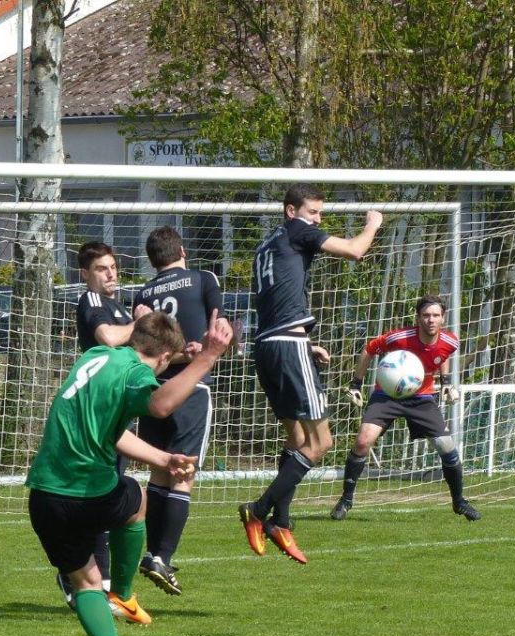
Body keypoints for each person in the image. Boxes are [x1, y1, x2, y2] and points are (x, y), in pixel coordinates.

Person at [26, 309, 233, 636]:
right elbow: (160, 405)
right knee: (137, 500)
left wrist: (163, 459)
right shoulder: (136, 372)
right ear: (164, 358)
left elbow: (112, 432)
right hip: (87, 492)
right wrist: (208, 357)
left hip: (44, 496)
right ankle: (122, 593)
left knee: (86, 584)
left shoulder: (95, 357)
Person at [238, 183, 384, 563]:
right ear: (291, 211)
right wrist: (372, 224)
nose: (318, 220)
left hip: (268, 346)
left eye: (320, 213)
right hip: (286, 345)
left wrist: (305, 344)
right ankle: (259, 510)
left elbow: (278, 297)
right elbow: (355, 250)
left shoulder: (266, 244)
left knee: (297, 438)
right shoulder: (296, 230)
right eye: (313, 212)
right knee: (321, 443)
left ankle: (281, 522)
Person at [132, 226, 225, 596]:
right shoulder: (203, 279)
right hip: (190, 387)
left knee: (159, 471)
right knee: (183, 472)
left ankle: (153, 554)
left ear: (153, 260)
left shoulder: (143, 294)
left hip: (153, 391)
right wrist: (204, 351)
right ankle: (163, 556)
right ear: (182, 251)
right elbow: (219, 329)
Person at [331, 295, 480, 522]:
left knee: (446, 446)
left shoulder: (451, 341)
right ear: (418, 318)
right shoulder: (399, 338)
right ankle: (346, 500)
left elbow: (441, 357)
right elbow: (369, 349)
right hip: (387, 395)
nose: (431, 320)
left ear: (443, 318)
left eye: (436, 315)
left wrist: (446, 382)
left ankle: (459, 502)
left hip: (422, 398)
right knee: (362, 441)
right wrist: (356, 384)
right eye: (426, 315)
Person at [54, 241, 138, 608]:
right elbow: (108, 337)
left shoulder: (119, 308)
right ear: (85, 274)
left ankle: (97, 581)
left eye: (113, 267)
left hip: (118, 408)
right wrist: (140, 323)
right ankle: (78, 575)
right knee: (97, 495)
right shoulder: (91, 301)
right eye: (102, 268)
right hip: (96, 413)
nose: (111, 274)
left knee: (109, 493)